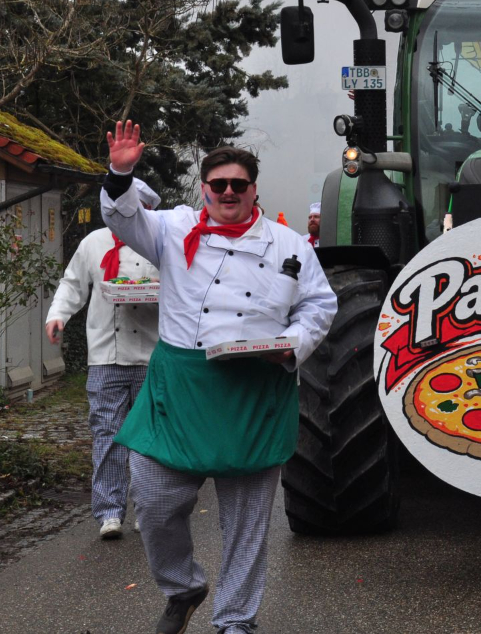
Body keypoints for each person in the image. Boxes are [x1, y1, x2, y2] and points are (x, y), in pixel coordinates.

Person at [101, 122, 338, 634]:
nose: (228, 192)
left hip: (256, 387)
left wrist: (292, 345)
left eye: (238, 184)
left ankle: (235, 620)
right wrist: (120, 172)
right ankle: (181, 586)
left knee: (247, 522)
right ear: (205, 188)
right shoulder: (172, 229)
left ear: (253, 189)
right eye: (218, 184)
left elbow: (320, 305)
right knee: (154, 499)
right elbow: (121, 215)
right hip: (180, 388)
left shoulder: (288, 243)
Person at [45, 179, 162, 540]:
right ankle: (109, 511)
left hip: (153, 354)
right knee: (107, 433)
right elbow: (72, 284)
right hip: (104, 355)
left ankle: (147, 508)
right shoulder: (93, 243)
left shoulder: (161, 243)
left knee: (149, 437)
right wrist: (58, 315)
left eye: (135, 210)